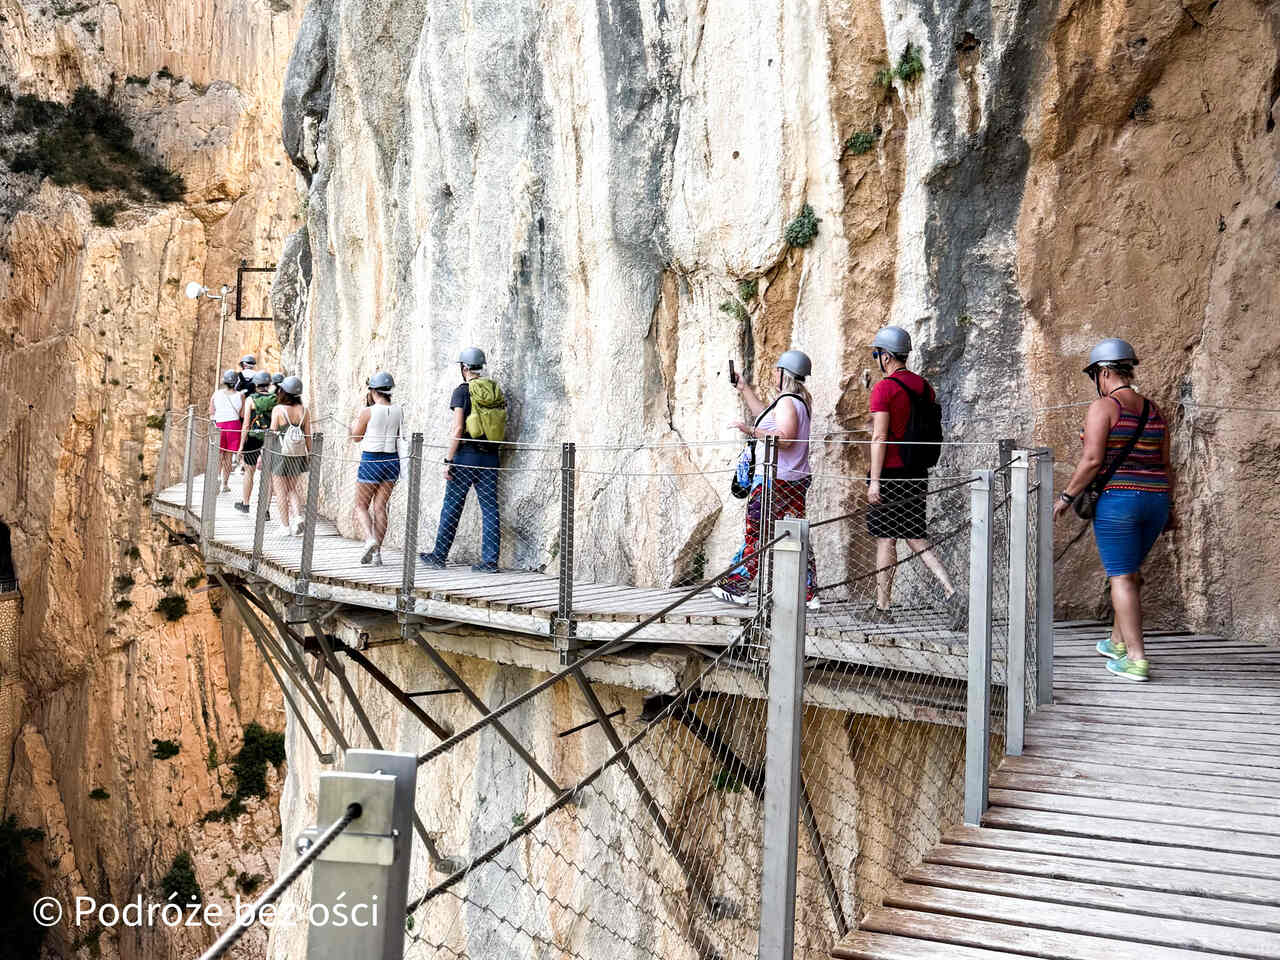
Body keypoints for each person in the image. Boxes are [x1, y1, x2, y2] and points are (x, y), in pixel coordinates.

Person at [1053, 339, 1173, 682]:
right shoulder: (1154, 410)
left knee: (1121, 575)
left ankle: (1136, 659)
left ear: (1104, 372)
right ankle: (1117, 643)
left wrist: (1065, 497)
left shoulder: (1104, 407)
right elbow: (1165, 464)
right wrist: (1172, 508)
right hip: (1156, 500)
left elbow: (1091, 460)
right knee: (1131, 572)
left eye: (1097, 375)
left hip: (1121, 500)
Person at [865, 325, 963, 628]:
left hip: (892, 473)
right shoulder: (924, 387)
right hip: (917, 472)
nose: (876, 359)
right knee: (915, 537)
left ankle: (882, 607)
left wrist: (875, 481)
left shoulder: (885, 388)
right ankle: (951, 591)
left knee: (886, 539)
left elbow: (879, 436)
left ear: (886, 356)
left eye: (877, 354)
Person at [712, 349, 818, 610]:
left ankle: (736, 586)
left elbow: (785, 437)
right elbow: (769, 419)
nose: (773, 374)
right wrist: (744, 389)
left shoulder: (786, 402)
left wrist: (749, 430)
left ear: (785, 374)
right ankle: (808, 593)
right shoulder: (797, 401)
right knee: (795, 536)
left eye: (776, 370)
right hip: (794, 480)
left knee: (756, 533)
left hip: (773, 480)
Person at [419, 347, 503, 573]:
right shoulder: (493, 390)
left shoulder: (462, 392)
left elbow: (457, 428)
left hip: (466, 455)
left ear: (464, 367)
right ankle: (490, 561)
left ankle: (439, 555)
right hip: (490, 457)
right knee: (490, 508)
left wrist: (448, 459)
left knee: (452, 505)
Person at [350, 371, 403, 566]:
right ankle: (377, 554)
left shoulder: (368, 411)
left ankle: (370, 539)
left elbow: (356, 437)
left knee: (361, 505)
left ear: (373, 390)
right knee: (380, 507)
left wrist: (353, 425)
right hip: (391, 461)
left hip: (371, 459)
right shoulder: (398, 410)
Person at [269, 376, 312, 536]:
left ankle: (285, 526)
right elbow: (308, 435)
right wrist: (310, 453)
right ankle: (298, 517)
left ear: (284, 391)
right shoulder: (305, 410)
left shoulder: (278, 410)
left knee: (280, 491)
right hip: (298, 454)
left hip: (280, 454)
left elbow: (272, 433)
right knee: (292, 488)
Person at [235, 371, 277, 514]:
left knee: (249, 472)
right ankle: (265, 509)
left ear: (256, 384)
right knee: (269, 475)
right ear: (268, 384)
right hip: (270, 440)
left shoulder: (250, 400)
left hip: (253, 440)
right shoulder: (275, 399)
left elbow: (246, 424)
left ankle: (245, 504)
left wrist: (241, 446)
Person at [209, 370, 244, 492]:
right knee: (228, 456)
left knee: (219, 455)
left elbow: (211, 412)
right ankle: (225, 484)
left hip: (219, 425)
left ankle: (217, 478)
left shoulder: (216, 394)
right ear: (236, 382)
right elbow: (242, 413)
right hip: (233, 426)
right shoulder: (240, 395)